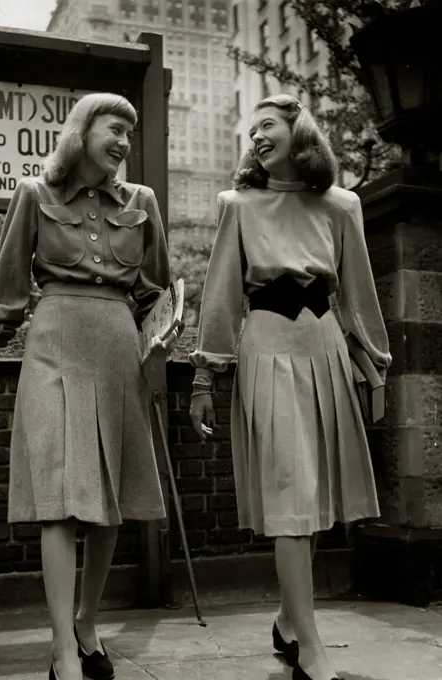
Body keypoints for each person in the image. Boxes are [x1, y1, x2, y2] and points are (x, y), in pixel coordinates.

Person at [0, 92, 178, 680]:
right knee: (58, 500)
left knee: (105, 508)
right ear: (82, 132)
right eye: (114, 129)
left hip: (117, 351)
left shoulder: (142, 202)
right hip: (51, 345)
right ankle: (60, 650)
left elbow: (154, 291)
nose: (124, 142)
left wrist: (166, 334)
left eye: (130, 133)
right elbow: (6, 290)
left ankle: (86, 623)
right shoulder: (34, 194)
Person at [189, 94, 391, 680]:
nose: (255, 137)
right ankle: (311, 646)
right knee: (290, 499)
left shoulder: (342, 205)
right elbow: (222, 297)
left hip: (324, 352)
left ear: (299, 132)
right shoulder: (239, 205)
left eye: (267, 126)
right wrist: (205, 375)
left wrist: (375, 368)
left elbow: (358, 295)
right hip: (267, 352)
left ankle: (286, 621)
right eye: (250, 131)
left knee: (312, 498)